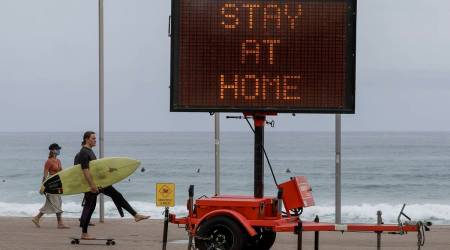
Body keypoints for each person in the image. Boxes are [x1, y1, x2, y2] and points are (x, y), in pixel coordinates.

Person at [77, 131, 149, 239]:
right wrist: (92, 185)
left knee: (116, 195)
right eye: (93, 138)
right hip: (92, 185)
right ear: (86, 139)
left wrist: (111, 170)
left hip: (99, 183)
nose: (95, 140)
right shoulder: (83, 153)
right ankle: (84, 233)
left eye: (95, 138)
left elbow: (95, 169)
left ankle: (136, 215)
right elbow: (85, 170)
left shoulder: (90, 151)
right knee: (90, 207)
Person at [32, 143, 70, 229]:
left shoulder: (58, 161)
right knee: (56, 203)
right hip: (51, 184)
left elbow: (61, 172)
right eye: (57, 149)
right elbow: (45, 175)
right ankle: (60, 223)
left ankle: (36, 218)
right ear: (53, 150)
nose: (59, 151)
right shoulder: (48, 161)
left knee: (54, 203)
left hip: (58, 183)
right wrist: (43, 186)